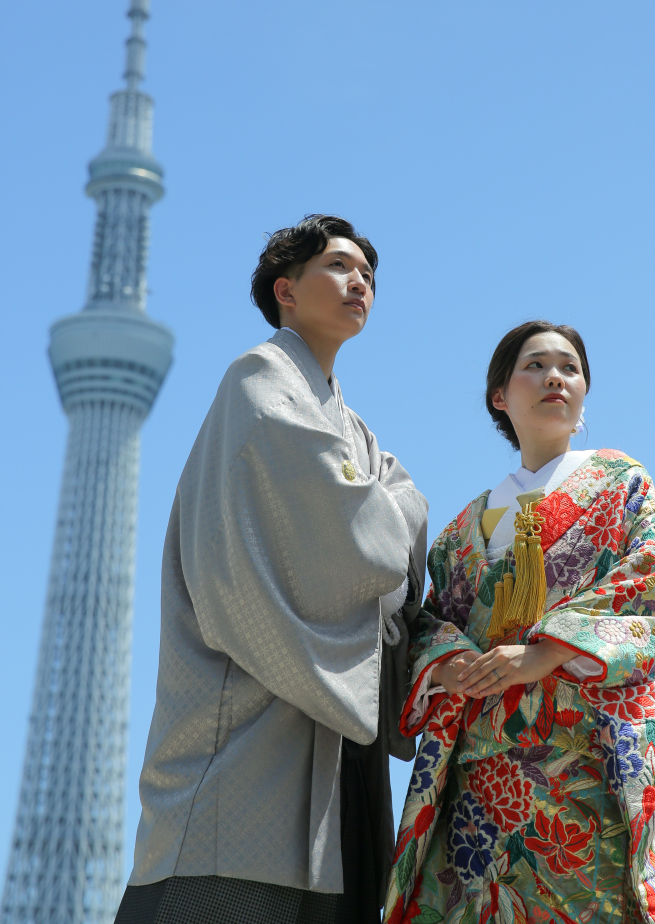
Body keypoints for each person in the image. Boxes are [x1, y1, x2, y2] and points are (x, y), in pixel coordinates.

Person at [116, 215, 428, 924]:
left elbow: (404, 507)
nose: (360, 284)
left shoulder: (350, 422)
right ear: (285, 290)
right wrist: (377, 508)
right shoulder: (258, 382)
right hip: (252, 727)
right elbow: (374, 538)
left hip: (343, 726)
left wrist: (374, 504)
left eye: (369, 276)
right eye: (340, 267)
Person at [385, 320, 655, 924]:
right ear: (500, 396)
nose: (555, 377)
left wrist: (547, 652)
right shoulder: (463, 530)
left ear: (585, 391)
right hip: (485, 783)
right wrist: (449, 662)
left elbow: (654, 580)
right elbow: (429, 620)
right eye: (534, 366)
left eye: (569, 366)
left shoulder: (620, 482)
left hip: (586, 764)